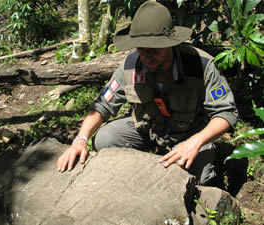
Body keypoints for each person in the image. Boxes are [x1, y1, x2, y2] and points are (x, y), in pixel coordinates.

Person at [57, 1, 238, 185]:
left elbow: (226, 113)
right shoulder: (131, 65)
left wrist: (195, 142)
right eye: (140, 48)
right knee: (105, 138)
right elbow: (102, 104)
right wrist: (80, 139)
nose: (146, 56)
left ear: (170, 43)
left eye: (153, 48)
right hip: (149, 130)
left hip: (189, 135)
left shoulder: (200, 65)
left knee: (202, 177)